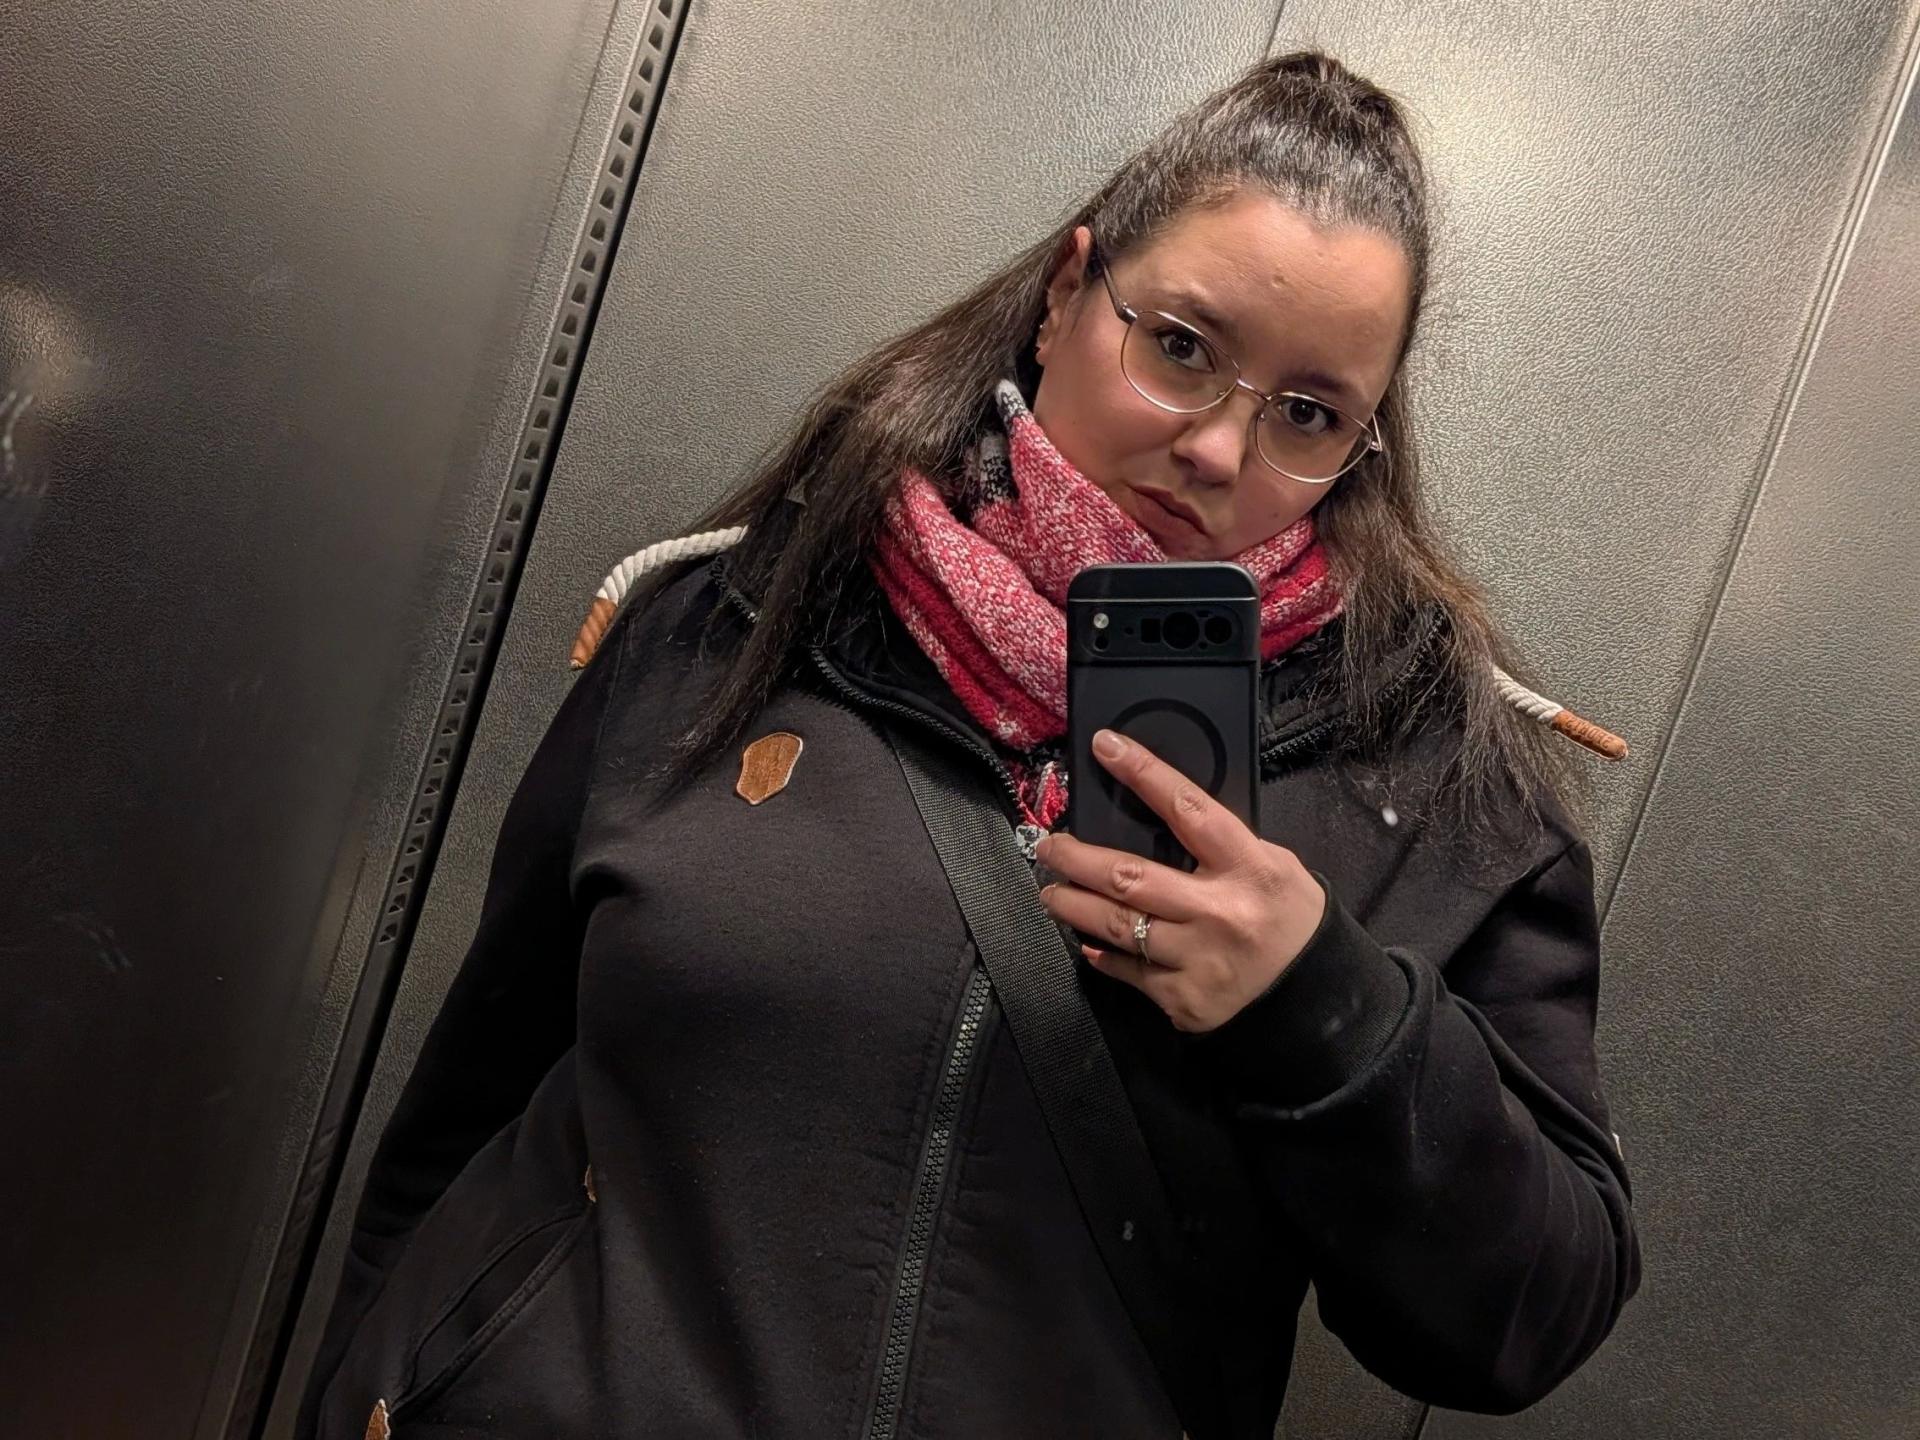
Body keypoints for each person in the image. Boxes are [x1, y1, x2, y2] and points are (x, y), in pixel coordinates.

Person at [300, 50, 1639, 1440]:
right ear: (1067, 295)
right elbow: (468, 1110)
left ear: (1363, 442)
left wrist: (1326, 1010)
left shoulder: (1431, 782)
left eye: (1307, 414)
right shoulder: (743, 621)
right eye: (1182, 347)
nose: (1219, 451)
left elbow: (1531, 1313)